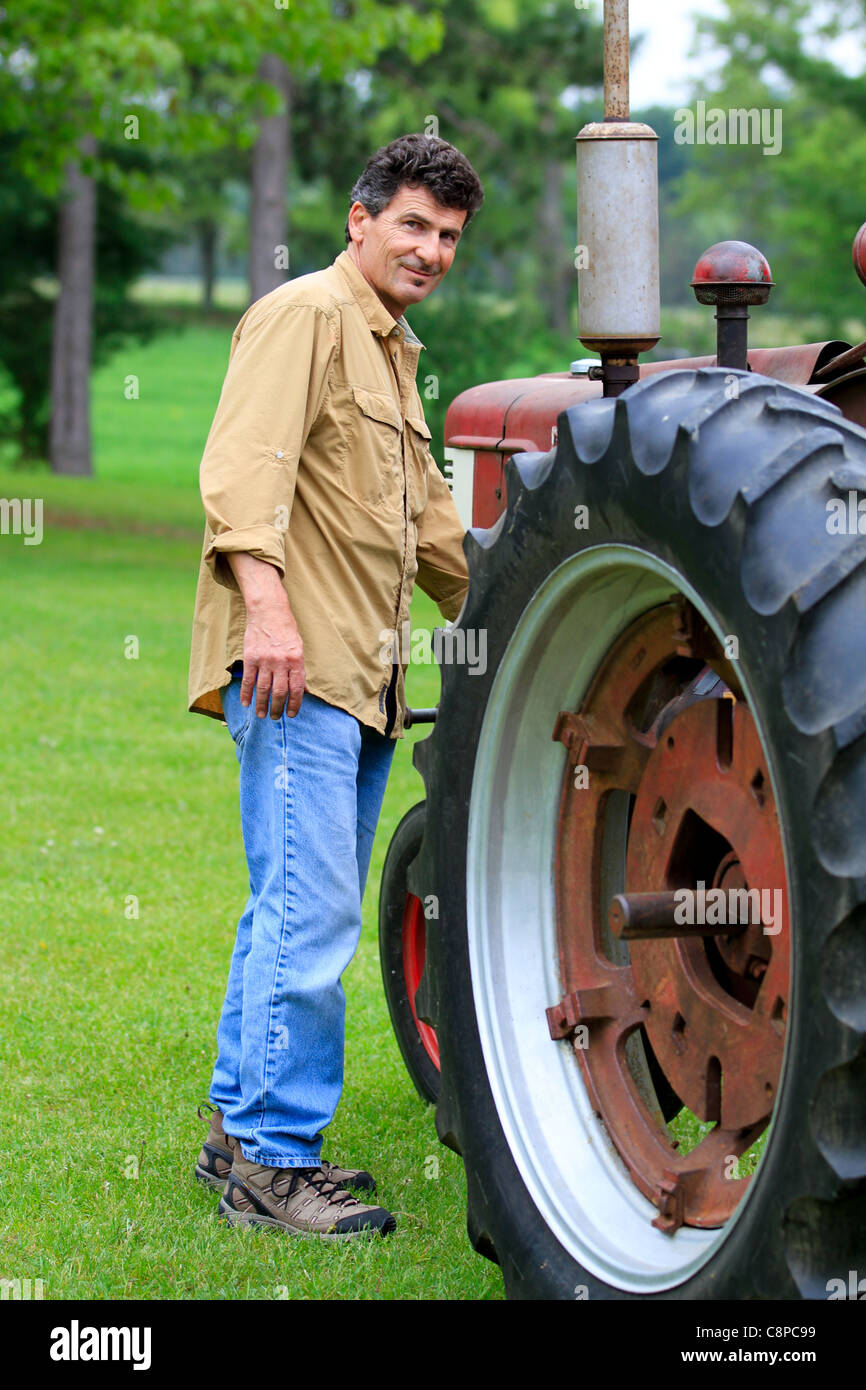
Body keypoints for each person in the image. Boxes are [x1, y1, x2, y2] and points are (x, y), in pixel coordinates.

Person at [186, 133, 484, 1238]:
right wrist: (266, 612)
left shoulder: (391, 349)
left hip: (363, 677)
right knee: (311, 918)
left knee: (288, 908)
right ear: (360, 220)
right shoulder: (307, 314)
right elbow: (242, 470)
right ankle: (274, 1161)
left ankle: (235, 1132)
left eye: (448, 236)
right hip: (295, 665)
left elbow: (435, 537)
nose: (431, 250)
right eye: (412, 224)